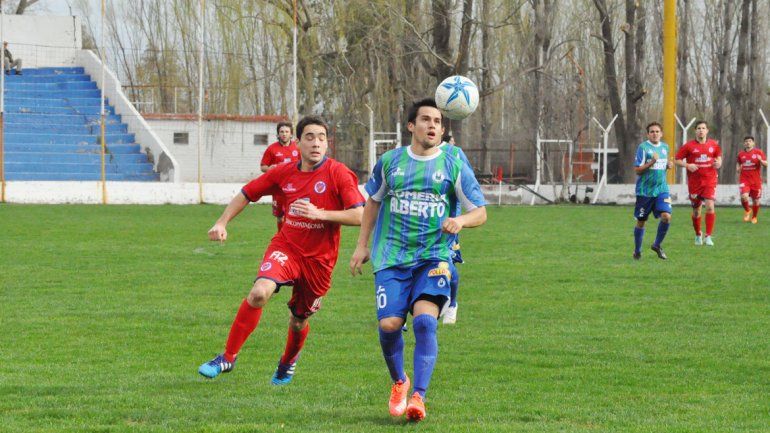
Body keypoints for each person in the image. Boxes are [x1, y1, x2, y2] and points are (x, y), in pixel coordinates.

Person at [198, 116, 365, 385]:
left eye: (322, 138)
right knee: (259, 292)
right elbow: (247, 193)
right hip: (286, 247)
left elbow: (360, 215)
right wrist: (221, 221)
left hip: (319, 262)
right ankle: (228, 357)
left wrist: (319, 213)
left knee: (299, 320)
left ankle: (287, 363)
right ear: (298, 143)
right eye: (310, 137)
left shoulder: (338, 173)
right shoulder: (283, 171)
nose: (316, 143)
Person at [350, 98, 487, 422]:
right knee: (390, 325)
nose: (432, 126)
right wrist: (361, 246)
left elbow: (479, 211)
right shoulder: (390, 162)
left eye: (438, 121)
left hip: (433, 256)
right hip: (392, 258)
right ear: (411, 126)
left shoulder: (452, 165)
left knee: (425, 322)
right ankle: (400, 381)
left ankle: (419, 397)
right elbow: (372, 202)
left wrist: (461, 222)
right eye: (426, 119)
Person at [438, 132, 473, 323]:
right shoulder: (408, 154)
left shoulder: (455, 154)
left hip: (448, 222)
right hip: (417, 222)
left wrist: (459, 218)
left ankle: (452, 303)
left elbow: (467, 185)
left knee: (447, 262)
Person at [675, 120, 722, 246]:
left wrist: (719, 162)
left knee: (710, 206)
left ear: (707, 131)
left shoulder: (714, 145)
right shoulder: (688, 146)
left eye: (703, 128)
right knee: (696, 211)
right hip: (695, 183)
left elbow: (718, 157)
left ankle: (708, 236)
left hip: (710, 180)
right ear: (695, 131)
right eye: (699, 128)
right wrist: (687, 165)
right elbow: (677, 160)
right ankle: (698, 234)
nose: (701, 130)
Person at [632, 122, 673, 260]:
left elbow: (662, 167)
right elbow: (637, 170)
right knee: (641, 221)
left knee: (666, 216)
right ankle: (637, 251)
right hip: (645, 192)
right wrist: (651, 162)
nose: (655, 134)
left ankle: (656, 245)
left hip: (661, 189)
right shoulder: (643, 148)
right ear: (648, 134)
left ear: (661, 133)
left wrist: (668, 165)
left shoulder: (665, 147)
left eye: (657, 131)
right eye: (652, 131)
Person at [260, 121, 300, 230]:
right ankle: (280, 237)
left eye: (287, 131)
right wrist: (270, 168)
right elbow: (263, 167)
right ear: (278, 134)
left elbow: (305, 164)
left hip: (295, 187)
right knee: (280, 217)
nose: (284, 134)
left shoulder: (297, 148)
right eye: (281, 132)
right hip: (278, 188)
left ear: (291, 134)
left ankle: (291, 239)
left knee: (294, 215)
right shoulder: (271, 149)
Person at [736, 136, 768, 224]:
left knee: (756, 200)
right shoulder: (741, 154)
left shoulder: (758, 152)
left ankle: (754, 217)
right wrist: (738, 168)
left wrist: (761, 160)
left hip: (756, 181)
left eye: (750, 141)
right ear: (744, 143)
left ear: (753, 143)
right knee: (744, 197)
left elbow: (766, 164)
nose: (748, 143)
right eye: (746, 141)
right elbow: (738, 163)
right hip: (744, 180)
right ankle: (747, 210)